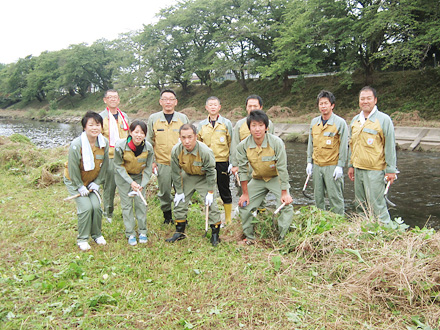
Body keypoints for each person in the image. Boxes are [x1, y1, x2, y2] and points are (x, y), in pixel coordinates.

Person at [237, 110, 294, 244]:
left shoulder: (276, 143)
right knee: (244, 205)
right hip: (257, 179)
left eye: (261, 125)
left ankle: (283, 239)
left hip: (276, 178)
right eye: (254, 125)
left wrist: (285, 192)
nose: (257, 129)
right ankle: (250, 237)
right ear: (249, 128)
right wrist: (245, 194)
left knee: (286, 206)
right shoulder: (243, 146)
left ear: (266, 127)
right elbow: (243, 171)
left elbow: (282, 169)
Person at [348, 86, 397, 223]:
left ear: (375, 100)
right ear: (359, 101)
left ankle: (385, 232)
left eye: (368, 98)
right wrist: (351, 165)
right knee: (360, 205)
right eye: (362, 99)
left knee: (377, 205)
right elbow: (352, 145)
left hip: (375, 170)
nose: (365, 101)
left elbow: (389, 146)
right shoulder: (355, 121)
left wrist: (391, 170)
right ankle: (363, 231)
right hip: (358, 169)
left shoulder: (383, 120)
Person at [166, 124, 221, 246]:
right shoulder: (176, 150)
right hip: (188, 176)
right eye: (183, 137)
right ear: (179, 137)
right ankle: (179, 231)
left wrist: (210, 192)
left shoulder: (205, 151)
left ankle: (215, 234)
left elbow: (212, 172)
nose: (187, 141)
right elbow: (175, 173)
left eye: (190, 137)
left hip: (204, 177)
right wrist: (179, 191)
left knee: (211, 205)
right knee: (179, 203)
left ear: (196, 136)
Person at [64, 111, 109, 251]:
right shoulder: (77, 144)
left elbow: (106, 164)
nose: (95, 128)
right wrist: (79, 186)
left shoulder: (104, 142)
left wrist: (97, 182)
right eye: (91, 125)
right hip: (75, 181)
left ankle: (97, 234)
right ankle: (82, 239)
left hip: (92, 182)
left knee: (96, 207)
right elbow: (72, 168)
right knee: (86, 207)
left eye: (97, 125)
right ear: (84, 127)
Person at [146, 89, 189, 224]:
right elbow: (149, 142)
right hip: (162, 162)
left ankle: (181, 217)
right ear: (160, 102)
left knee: (181, 190)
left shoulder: (182, 118)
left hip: (180, 163)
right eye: (165, 99)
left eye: (171, 99)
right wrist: (152, 162)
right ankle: (167, 216)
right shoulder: (154, 119)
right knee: (164, 191)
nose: (168, 102)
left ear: (176, 102)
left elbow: (190, 140)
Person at [306, 90, 348, 215]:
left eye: (326, 103)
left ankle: (339, 223)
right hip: (317, 165)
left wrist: (340, 165)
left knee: (335, 198)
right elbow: (310, 143)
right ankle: (321, 220)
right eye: (320, 103)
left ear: (332, 105)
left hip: (332, 166)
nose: (323, 106)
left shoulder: (340, 123)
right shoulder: (314, 122)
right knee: (318, 198)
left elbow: (344, 146)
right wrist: (309, 162)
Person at [114, 120, 154, 246]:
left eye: (142, 133)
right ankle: (130, 233)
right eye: (136, 132)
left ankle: (142, 231)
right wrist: (130, 182)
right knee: (127, 205)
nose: (139, 135)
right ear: (130, 132)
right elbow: (118, 166)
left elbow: (148, 167)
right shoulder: (120, 146)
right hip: (123, 177)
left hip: (139, 177)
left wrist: (143, 183)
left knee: (141, 203)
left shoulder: (148, 147)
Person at [197, 96, 233, 225]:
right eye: (210, 105)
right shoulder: (201, 125)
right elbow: (198, 144)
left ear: (219, 107)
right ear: (206, 108)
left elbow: (231, 143)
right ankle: (213, 218)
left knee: (224, 189)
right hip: (207, 163)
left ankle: (228, 219)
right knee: (209, 189)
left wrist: (232, 161)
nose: (212, 107)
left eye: (215, 105)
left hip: (222, 161)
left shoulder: (226, 123)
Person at [99, 89, 130, 223]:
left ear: (118, 100)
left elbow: (129, 135)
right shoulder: (100, 117)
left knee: (126, 185)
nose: (113, 99)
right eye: (110, 97)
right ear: (105, 100)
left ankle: (127, 212)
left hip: (124, 156)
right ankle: (108, 212)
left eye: (115, 97)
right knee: (109, 187)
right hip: (109, 157)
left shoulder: (124, 116)